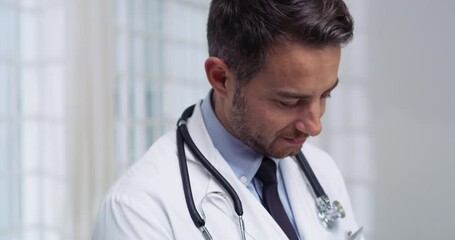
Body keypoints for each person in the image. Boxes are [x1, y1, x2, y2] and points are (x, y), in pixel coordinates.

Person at [93, 0, 364, 239]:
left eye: (325, 95)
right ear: (221, 78)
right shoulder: (138, 210)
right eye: (289, 102)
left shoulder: (321, 172)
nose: (315, 126)